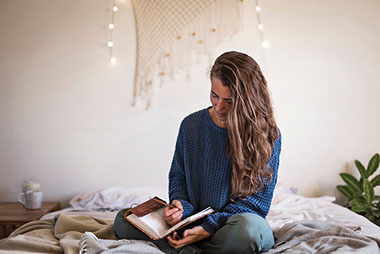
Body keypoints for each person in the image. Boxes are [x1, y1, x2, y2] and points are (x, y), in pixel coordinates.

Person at [113, 51, 282, 254]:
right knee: (124, 219)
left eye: (229, 101)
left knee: (251, 229)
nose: (219, 107)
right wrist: (180, 207)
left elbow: (256, 205)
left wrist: (208, 227)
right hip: (191, 226)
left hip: (228, 229)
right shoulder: (190, 125)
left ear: (248, 100)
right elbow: (178, 177)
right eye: (214, 95)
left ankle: (186, 250)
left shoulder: (267, 135)